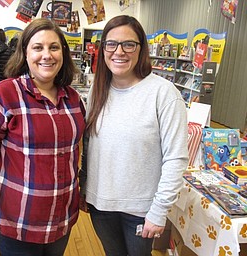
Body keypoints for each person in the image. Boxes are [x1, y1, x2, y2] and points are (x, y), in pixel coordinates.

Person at [0, 18, 86, 256]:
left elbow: (75, 154)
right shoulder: (1, 96)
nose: (47, 55)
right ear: (24, 53)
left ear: (63, 52)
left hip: (61, 219)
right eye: (38, 47)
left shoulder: (73, 100)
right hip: (18, 221)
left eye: (54, 47)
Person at [79, 15, 189, 256]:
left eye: (129, 44)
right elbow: (89, 146)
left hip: (141, 210)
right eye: (111, 44)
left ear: (141, 49)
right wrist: (84, 187)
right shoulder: (97, 90)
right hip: (101, 205)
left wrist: (159, 210)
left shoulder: (163, 93)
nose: (119, 51)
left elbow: (176, 158)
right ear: (103, 48)